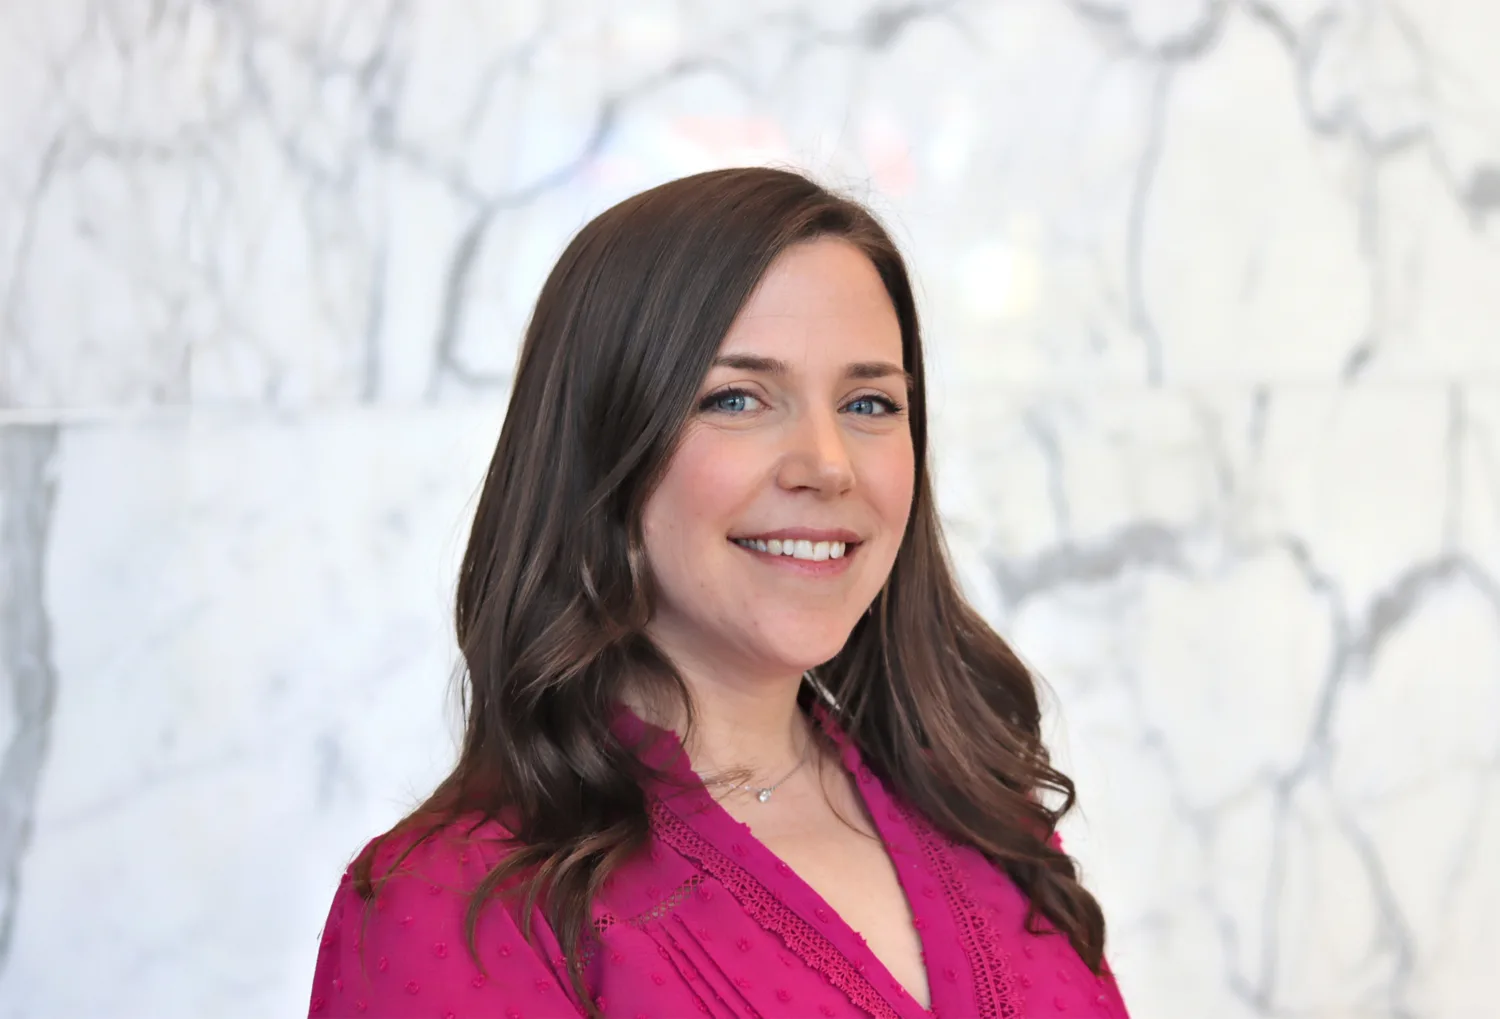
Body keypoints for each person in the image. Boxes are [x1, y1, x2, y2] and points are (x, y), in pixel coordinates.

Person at [306, 166, 1130, 1018]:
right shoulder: (454, 902)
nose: (828, 464)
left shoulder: (984, 819)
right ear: (602, 450)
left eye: (871, 402)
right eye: (738, 398)